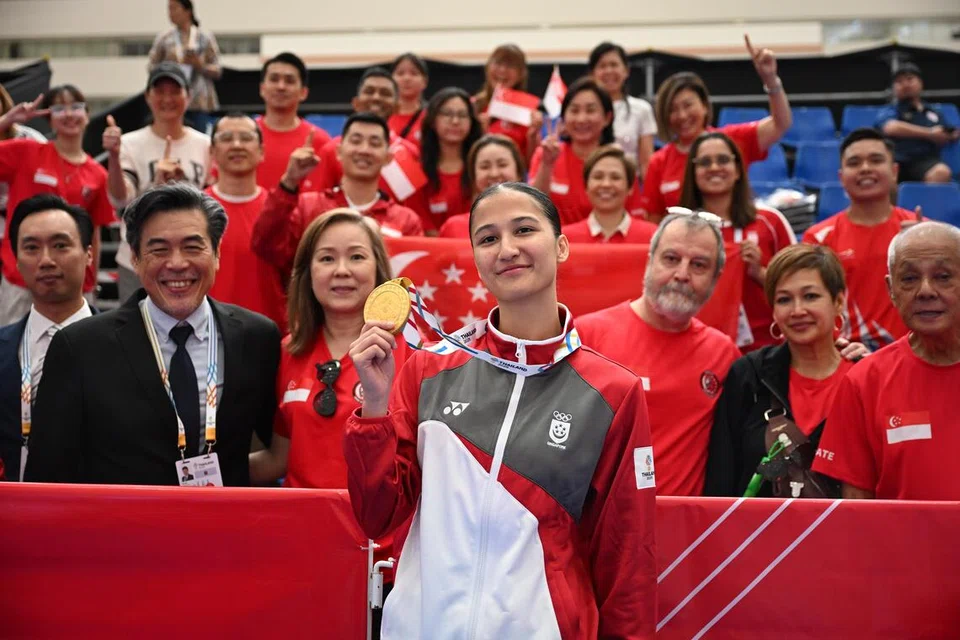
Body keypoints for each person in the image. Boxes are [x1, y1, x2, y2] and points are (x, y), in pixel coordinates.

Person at [344, 182, 656, 638]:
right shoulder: (429, 370)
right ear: (477, 260)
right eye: (488, 238)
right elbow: (378, 517)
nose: (507, 249)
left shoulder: (612, 392)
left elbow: (627, 557)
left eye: (524, 230)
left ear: (561, 245)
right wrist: (373, 407)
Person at [24, 184, 280, 485]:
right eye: (159, 249)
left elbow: (281, 446)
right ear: (135, 258)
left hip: (221, 513)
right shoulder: (80, 347)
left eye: (192, 247)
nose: (177, 263)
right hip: (123, 515)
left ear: (216, 253)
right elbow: (48, 472)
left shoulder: (257, 338)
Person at [577, 210, 741, 495]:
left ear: (716, 278)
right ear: (650, 261)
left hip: (686, 520)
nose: (682, 275)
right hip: (601, 517)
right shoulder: (586, 336)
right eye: (671, 259)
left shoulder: (723, 354)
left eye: (699, 265)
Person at [250, 209, 411, 487]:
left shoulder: (411, 350)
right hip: (298, 514)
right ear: (307, 272)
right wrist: (193, 468)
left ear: (378, 268)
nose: (342, 270)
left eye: (356, 257)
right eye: (327, 258)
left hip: (375, 514)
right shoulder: (288, 350)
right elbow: (279, 460)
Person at [705, 244, 869, 498]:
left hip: (848, 525)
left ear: (838, 302)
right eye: (784, 300)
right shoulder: (749, 375)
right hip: (757, 525)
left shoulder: (866, 377)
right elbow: (722, 475)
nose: (797, 311)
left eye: (810, 296)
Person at [813, 222, 960, 500]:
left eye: (943, 277)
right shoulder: (864, 382)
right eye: (909, 279)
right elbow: (857, 506)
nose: (926, 290)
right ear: (891, 289)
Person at [642, 35, 792, 219]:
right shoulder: (659, 162)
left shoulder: (731, 140)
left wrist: (770, 79)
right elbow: (654, 218)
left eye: (688, 105)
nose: (682, 115)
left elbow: (780, 124)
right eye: (673, 109)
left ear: (705, 106)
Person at [253, 112, 423, 275]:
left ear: (388, 158)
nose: (364, 150)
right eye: (356, 141)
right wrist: (289, 182)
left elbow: (413, 280)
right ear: (338, 151)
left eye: (374, 143)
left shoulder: (406, 221)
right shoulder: (308, 207)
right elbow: (266, 247)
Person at [0, 194, 95, 482]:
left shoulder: (131, 345)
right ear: (16, 260)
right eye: (31, 248)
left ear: (88, 254)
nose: (46, 260)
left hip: (102, 503)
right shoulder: (4, 348)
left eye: (60, 245)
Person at [0, 85, 113, 326]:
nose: (69, 114)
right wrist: (7, 120)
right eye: (60, 108)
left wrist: (90, 283)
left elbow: (93, 232)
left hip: (71, 284)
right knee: (13, 345)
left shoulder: (97, 174)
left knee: (74, 345)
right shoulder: (26, 152)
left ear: (87, 115)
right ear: (49, 119)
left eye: (76, 107)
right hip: (21, 280)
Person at [803, 128, 918, 351]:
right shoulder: (818, 237)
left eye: (876, 160)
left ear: (894, 171)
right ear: (841, 177)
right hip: (845, 355)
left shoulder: (923, 233)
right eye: (854, 163)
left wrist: (927, 250)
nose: (865, 168)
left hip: (911, 355)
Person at [680, 131, 796, 350]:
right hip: (698, 349)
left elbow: (798, 286)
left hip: (766, 348)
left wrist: (759, 273)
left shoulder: (770, 221)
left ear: (738, 170)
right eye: (704, 162)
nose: (714, 167)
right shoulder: (678, 229)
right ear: (693, 173)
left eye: (723, 160)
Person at [104, 63, 211, 302]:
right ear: (147, 97)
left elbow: (212, 202)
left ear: (188, 96)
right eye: (160, 92)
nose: (167, 99)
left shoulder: (205, 145)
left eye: (175, 92)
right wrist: (113, 156)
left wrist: (182, 187)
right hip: (138, 259)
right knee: (136, 323)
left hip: (191, 258)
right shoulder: (130, 144)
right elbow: (119, 198)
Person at [204, 113, 287, 329]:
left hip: (269, 333)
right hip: (207, 332)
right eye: (226, 138)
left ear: (261, 151)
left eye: (246, 138)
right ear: (212, 152)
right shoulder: (195, 210)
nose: (237, 145)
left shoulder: (280, 209)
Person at [530, 77, 642, 225]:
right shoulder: (546, 155)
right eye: (574, 110)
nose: (581, 119)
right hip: (557, 239)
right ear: (563, 117)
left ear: (607, 118)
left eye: (590, 110)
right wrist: (547, 164)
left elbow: (635, 219)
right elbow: (532, 208)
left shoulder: (620, 162)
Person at [314, 67, 420, 198]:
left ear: (397, 107)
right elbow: (317, 204)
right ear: (356, 103)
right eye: (369, 91)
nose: (376, 97)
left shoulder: (410, 152)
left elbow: (415, 206)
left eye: (385, 93)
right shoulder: (332, 150)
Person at [407, 87, 483, 233]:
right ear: (432, 120)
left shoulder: (482, 167)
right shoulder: (416, 170)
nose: (455, 121)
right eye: (447, 114)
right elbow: (421, 225)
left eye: (462, 115)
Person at [254, 52, 333, 192]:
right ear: (262, 89)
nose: (281, 86)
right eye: (274, 79)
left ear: (303, 92)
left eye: (289, 81)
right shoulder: (244, 136)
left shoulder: (320, 141)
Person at [876, 62, 958, 184]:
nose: (905, 84)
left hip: (926, 161)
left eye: (910, 79)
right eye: (899, 82)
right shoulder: (890, 109)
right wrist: (930, 133)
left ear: (920, 83)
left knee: (941, 172)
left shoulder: (933, 112)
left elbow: (948, 130)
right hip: (896, 160)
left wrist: (949, 135)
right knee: (881, 173)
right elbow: (891, 127)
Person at [588, 42, 656, 180]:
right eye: (602, 66)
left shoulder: (642, 109)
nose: (608, 71)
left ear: (626, 71)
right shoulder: (584, 111)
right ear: (592, 73)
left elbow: (646, 163)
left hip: (630, 185)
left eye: (614, 65)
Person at [562, 145, 658, 244]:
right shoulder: (565, 238)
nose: (606, 184)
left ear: (630, 187)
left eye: (615, 177)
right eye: (598, 177)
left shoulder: (653, 236)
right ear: (586, 186)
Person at [438, 134, 525, 239]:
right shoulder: (454, 227)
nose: (494, 173)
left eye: (502, 164)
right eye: (484, 167)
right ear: (473, 176)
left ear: (519, 172)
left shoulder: (538, 222)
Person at [148, 0, 222, 115]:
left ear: (188, 11)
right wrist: (169, 69)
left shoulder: (204, 38)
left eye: (174, 8)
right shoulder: (164, 39)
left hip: (200, 103)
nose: (170, 13)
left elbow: (218, 70)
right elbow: (151, 67)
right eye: (169, 9)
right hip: (172, 102)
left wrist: (200, 65)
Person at [472, 44, 543, 161]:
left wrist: (533, 136)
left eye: (510, 66)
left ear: (521, 74)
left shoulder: (529, 109)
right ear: (488, 67)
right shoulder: (473, 105)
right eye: (498, 63)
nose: (502, 70)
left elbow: (532, 163)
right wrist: (479, 132)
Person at [389, 52, 428, 145]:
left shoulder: (431, 117)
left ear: (424, 82)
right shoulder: (383, 115)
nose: (407, 78)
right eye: (400, 73)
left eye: (414, 73)